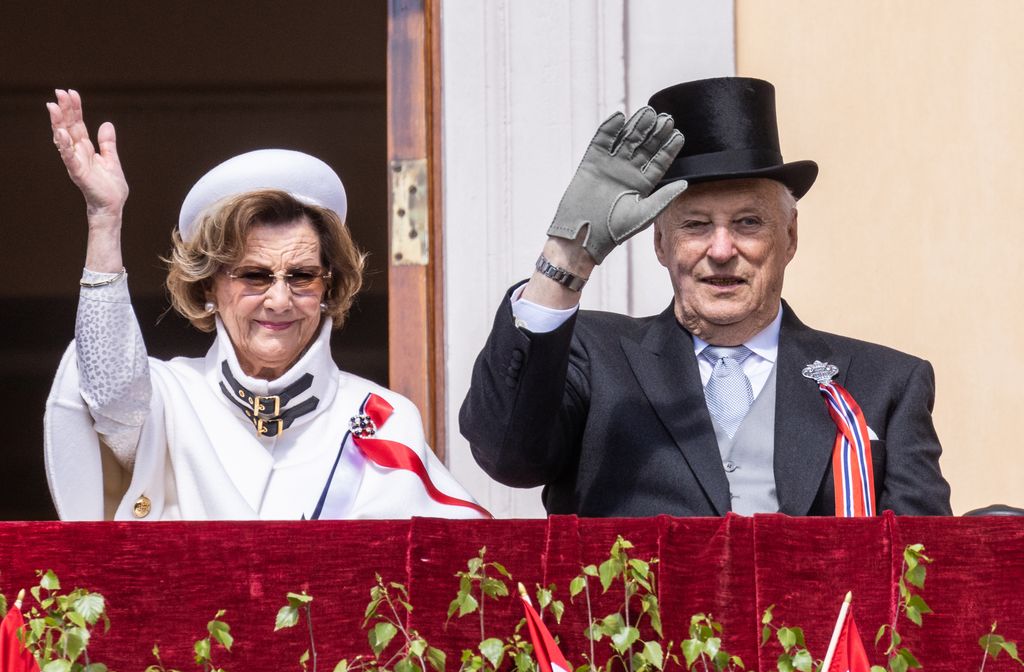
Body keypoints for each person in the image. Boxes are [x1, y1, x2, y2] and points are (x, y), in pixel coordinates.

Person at [460, 77, 951, 517]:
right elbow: (508, 456)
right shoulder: (593, 355)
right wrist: (568, 256)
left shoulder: (885, 383)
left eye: (748, 223)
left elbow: (925, 571)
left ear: (790, 238)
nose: (721, 250)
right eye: (695, 226)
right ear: (660, 243)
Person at [44, 89, 488, 521]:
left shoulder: (381, 418)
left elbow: (449, 572)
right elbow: (112, 393)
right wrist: (105, 220)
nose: (279, 300)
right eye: (254, 276)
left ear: (329, 287)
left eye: (301, 276)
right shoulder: (171, 398)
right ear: (208, 288)